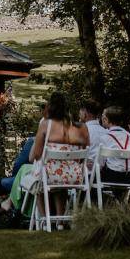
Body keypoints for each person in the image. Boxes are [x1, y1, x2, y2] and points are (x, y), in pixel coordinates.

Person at [30, 91, 89, 221]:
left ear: (50, 107)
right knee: (59, 181)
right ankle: (60, 222)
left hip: (50, 176)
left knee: (36, 179)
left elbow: (36, 155)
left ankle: (46, 221)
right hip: (75, 176)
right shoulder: (82, 128)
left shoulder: (46, 125)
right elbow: (84, 155)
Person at [94, 104, 130, 199]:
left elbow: (100, 163)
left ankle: (96, 200)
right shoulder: (129, 136)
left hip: (113, 177)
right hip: (129, 177)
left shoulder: (105, 137)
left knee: (95, 170)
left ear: (105, 119)